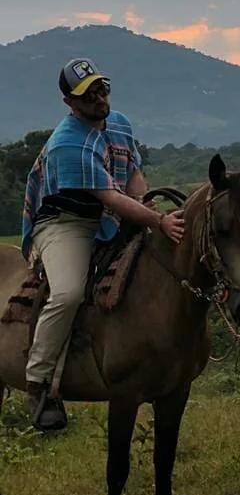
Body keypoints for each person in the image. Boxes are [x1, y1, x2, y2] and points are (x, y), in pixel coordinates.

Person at [21, 58, 185, 431]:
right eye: (88, 94)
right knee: (67, 293)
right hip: (67, 223)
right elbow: (109, 197)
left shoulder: (121, 124)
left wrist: (147, 207)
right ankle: (39, 380)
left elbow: (133, 173)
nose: (99, 97)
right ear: (69, 102)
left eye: (101, 88)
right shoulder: (67, 143)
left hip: (112, 213)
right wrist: (156, 220)